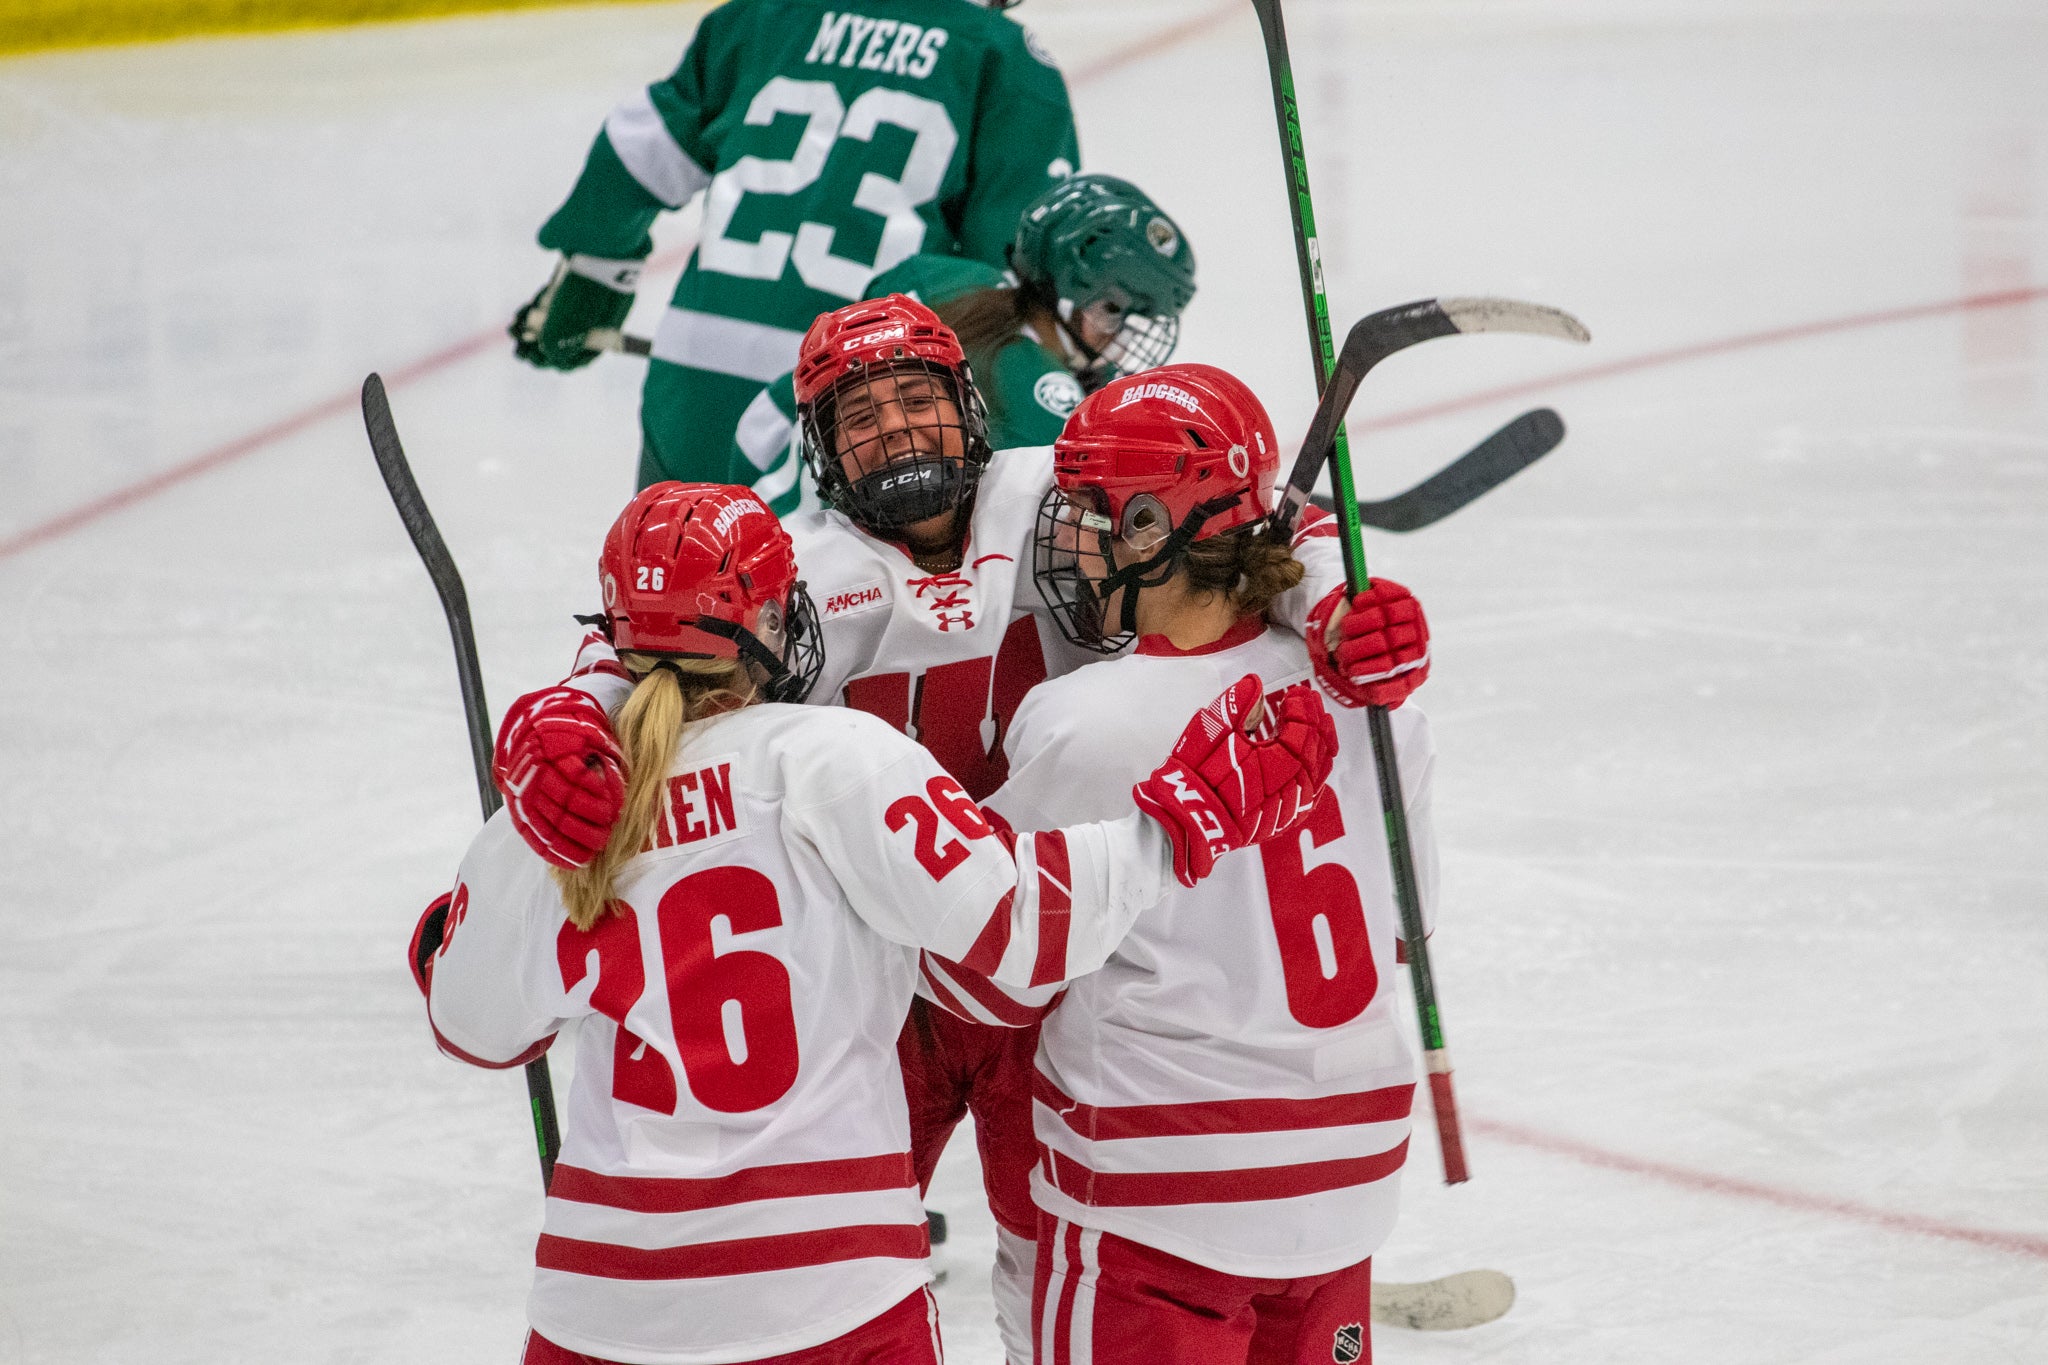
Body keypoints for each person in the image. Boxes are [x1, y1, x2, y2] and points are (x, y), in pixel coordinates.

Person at [486, 297, 1431, 1363]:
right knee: (850, 1231)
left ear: (968, 404)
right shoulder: (795, 563)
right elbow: (655, 639)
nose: (892, 430)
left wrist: (1336, 608)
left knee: (1045, 1238)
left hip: (1053, 952)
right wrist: (567, 712)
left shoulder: (1056, 497)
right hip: (884, 979)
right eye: (859, 416)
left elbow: (1256, 522)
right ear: (821, 449)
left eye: (914, 400)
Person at [983, 364, 1437, 1365]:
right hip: (1351, 1170)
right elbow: (1410, 926)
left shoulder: (1081, 721)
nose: (1071, 538)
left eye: (1092, 513)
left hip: (1159, 1185)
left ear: (1153, 530)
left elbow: (983, 945)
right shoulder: (1372, 696)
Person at [509, 0, 1080, 495]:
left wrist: (594, 276)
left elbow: (632, 156)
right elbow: (1015, 268)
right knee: (839, 585)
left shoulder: (761, 15)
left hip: (692, 380)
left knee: (672, 569)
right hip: (866, 402)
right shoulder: (1001, 57)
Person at [727, 173, 1198, 510]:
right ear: (1075, 291)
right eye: (1115, 312)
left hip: (769, 530)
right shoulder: (1040, 397)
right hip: (843, 582)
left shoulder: (932, 280)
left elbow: (761, 425)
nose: (1121, 339)